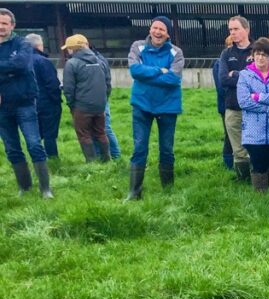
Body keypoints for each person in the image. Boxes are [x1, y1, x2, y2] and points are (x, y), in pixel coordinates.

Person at [126, 16, 184, 200]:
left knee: (166, 148)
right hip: (142, 105)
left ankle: (168, 191)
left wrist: (147, 73)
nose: (157, 32)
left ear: (168, 34)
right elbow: (135, 71)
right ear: (150, 29)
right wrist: (160, 70)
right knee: (139, 147)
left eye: (162, 29)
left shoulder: (176, 52)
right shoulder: (138, 47)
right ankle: (134, 192)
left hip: (168, 107)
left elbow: (174, 79)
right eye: (155, 28)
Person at [0, 7, 53, 198]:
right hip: (2, 107)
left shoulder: (22, 44)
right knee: (12, 148)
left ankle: (45, 189)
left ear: (12, 25)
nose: (1, 27)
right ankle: (24, 187)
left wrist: (7, 70)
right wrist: (9, 71)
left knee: (33, 144)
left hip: (24, 102)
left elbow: (21, 64)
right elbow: (13, 68)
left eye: (5, 23)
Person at [236, 37, 269, 196]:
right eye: (257, 54)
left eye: (264, 55)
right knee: (259, 166)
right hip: (254, 132)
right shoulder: (245, 75)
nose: (260, 58)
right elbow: (243, 101)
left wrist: (258, 96)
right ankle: (262, 198)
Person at [61, 33, 112, 162]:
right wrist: (104, 100)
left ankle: (91, 162)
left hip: (82, 107)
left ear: (73, 48)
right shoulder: (101, 61)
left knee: (84, 135)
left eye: (68, 48)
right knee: (101, 132)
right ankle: (107, 160)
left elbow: (68, 88)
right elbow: (108, 83)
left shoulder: (71, 64)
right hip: (100, 105)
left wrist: (71, 104)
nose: (68, 51)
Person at [218, 16, 253, 181]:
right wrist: (247, 76)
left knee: (256, 146)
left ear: (246, 30)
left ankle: (259, 179)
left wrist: (237, 74)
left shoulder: (257, 50)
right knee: (238, 150)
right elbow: (224, 79)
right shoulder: (226, 53)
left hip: (254, 107)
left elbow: (260, 77)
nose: (233, 33)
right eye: (230, 29)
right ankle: (243, 180)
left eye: (236, 29)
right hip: (232, 106)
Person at [25, 33, 63, 160]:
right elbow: (52, 84)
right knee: (49, 135)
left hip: (28, 104)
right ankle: (52, 159)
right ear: (39, 45)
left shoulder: (21, 61)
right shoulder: (43, 61)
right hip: (46, 103)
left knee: (35, 135)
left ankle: (37, 159)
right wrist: (57, 101)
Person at [212, 35, 233, 170]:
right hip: (225, 104)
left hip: (242, 104)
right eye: (231, 45)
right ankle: (228, 163)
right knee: (229, 135)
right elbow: (221, 87)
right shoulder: (219, 63)